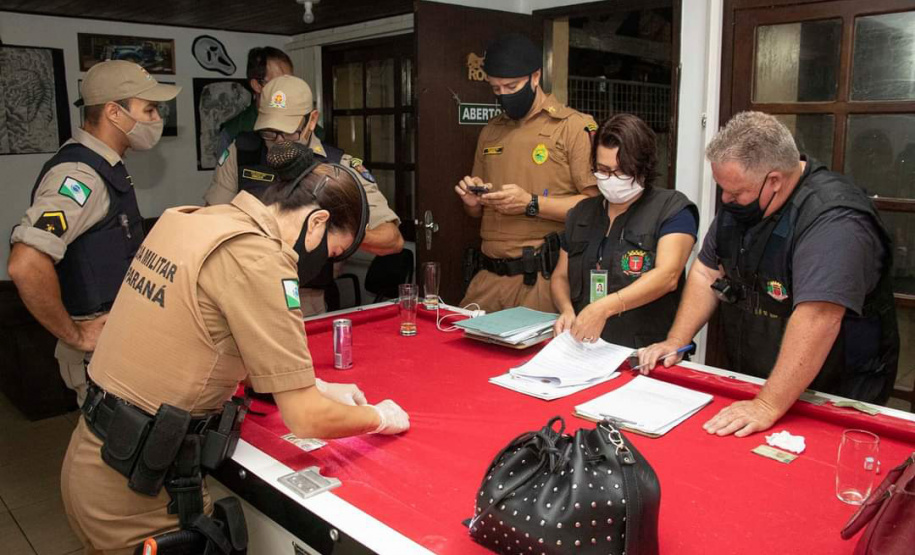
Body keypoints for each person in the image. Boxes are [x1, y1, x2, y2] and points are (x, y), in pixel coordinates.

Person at [61, 143, 410, 554]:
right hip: (137, 494)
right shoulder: (260, 258)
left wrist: (317, 383)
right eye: (333, 252)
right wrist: (378, 417)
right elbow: (306, 419)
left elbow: (202, 333)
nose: (324, 263)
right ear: (316, 223)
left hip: (95, 456)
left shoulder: (191, 220)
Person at [639, 111, 899, 438]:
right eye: (723, 189)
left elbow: (819, 316)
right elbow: (707, 271)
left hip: (836, 393)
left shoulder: (836, 220)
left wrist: (767, 405)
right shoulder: (746, 200)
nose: (725, 200)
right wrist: (676, 341)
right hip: (762, 378)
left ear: (774, 180)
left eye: (735, 193)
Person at [7, 61, 179, 406]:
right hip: (100, 351)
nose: (156, 118)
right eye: (149, 109)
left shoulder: (105, 166)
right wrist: (76, 335)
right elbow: (25, 264)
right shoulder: (80, 177)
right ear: (115, 113)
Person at [205, 75, 404, 315]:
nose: (278, 142)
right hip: (244, 291)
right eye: (269, 132)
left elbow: (392, 240)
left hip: (305, 297)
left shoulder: (338, 167)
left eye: (288, 133)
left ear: (312, 120)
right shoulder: (241, 153)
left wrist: (336, 233)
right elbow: (212, 224)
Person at [455, 33, 599, 313]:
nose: (504, 96)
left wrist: (531, 203)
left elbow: (594, 209)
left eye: (512, 86)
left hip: (543, 281)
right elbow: (476, 213)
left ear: (535, 77)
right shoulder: (491, 131)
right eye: (496, 89)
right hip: (488, 278)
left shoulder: (573, 127)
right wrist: (471, 202)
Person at [551, 114, 698, 347]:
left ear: (643, 167)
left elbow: (667, 276)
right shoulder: (581, 213)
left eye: (620, 172)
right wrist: (566, 310)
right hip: (583, 348)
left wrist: (605, 307)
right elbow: (560, 276)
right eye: (603, 170)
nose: (611, 179)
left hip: (643, 352)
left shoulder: (673, 209)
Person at [215, 46, 293, 156]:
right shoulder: (233, 132)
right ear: (257, 85)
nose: (288, 89)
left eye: (291, 82)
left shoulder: (307, 126)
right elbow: (224, 172)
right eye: (279, 82)